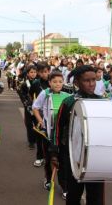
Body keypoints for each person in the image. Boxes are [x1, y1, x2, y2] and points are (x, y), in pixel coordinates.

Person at [50, 65, 105, 205]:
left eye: (94, 80)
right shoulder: (68, 102)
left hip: (96, 157)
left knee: (96, 197)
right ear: (77, 83)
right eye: (87, 80)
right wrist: (55, 152)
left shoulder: (102, 102)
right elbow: (57, 128)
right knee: (73, 195)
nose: (91, 84)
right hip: (74, 157)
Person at [32, 71, 70, 200]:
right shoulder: (45, 93)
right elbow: (35, 107)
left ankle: (65, 187)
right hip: (48, 133)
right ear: (49, 83)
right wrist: (40, 121)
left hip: (62, 135)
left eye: (60, 81)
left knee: (64, 161)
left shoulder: (67, 95)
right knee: (49, 159)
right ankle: (48, 180)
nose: (58, 84)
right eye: (54, 82)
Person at [29, 62, 51, 167]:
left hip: (51, 113)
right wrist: (32, 106)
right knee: (39, 135)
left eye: (46, 72)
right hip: (38, 112)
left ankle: (50, 157)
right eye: (42, 72)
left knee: (50, 136)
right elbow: (30, 94)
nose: (44, 74)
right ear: (38, 73)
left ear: (49, 71)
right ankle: (39, 157)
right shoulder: (36, 83)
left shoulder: (52, 82)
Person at [18, 65, 38, 150]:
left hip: (37, 106)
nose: (33, 74)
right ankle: (31, 142)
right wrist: (26, 103)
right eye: (31, 72)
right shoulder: (24, 83)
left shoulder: (38, 82)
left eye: (35, 72)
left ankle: (37, 139)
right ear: (28, 73)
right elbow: (21, 94)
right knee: (29, 124)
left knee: (38, 123)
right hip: (29, 106)